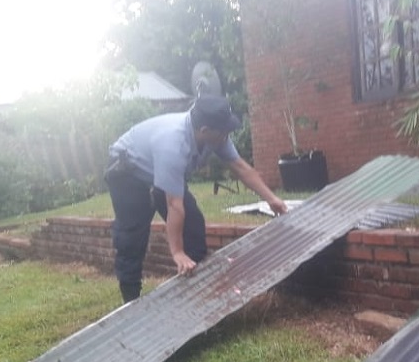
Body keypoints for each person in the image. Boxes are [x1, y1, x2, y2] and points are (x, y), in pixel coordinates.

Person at [105, 95, 288, 303]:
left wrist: (271, 199)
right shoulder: (173, 143)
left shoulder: (217, 137)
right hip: (128, 170)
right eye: (224, 131)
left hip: (160, 169)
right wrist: (177, 252)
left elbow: (241, 167)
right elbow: (174, 205)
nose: (228, 135)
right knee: (132, 235)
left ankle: (197, 290)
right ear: (205, 131)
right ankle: (130, 300)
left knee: (194, 225)